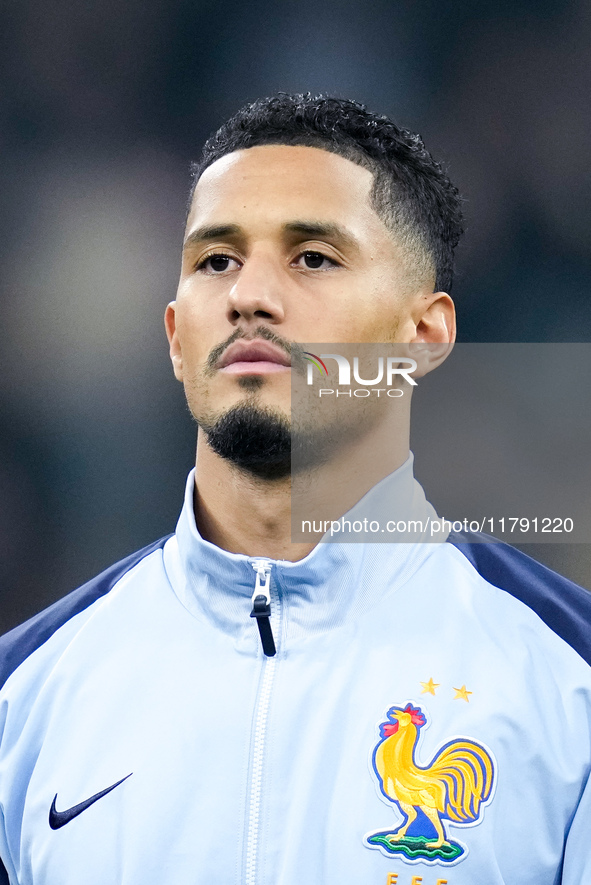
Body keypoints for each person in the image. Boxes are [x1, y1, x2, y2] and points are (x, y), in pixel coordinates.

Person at [1, 94, 590, 885]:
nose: (248, 294)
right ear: (177, 336)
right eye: (216, 260)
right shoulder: (23, 695)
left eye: (312, 256)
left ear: (423, 335)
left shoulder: (568, 679)